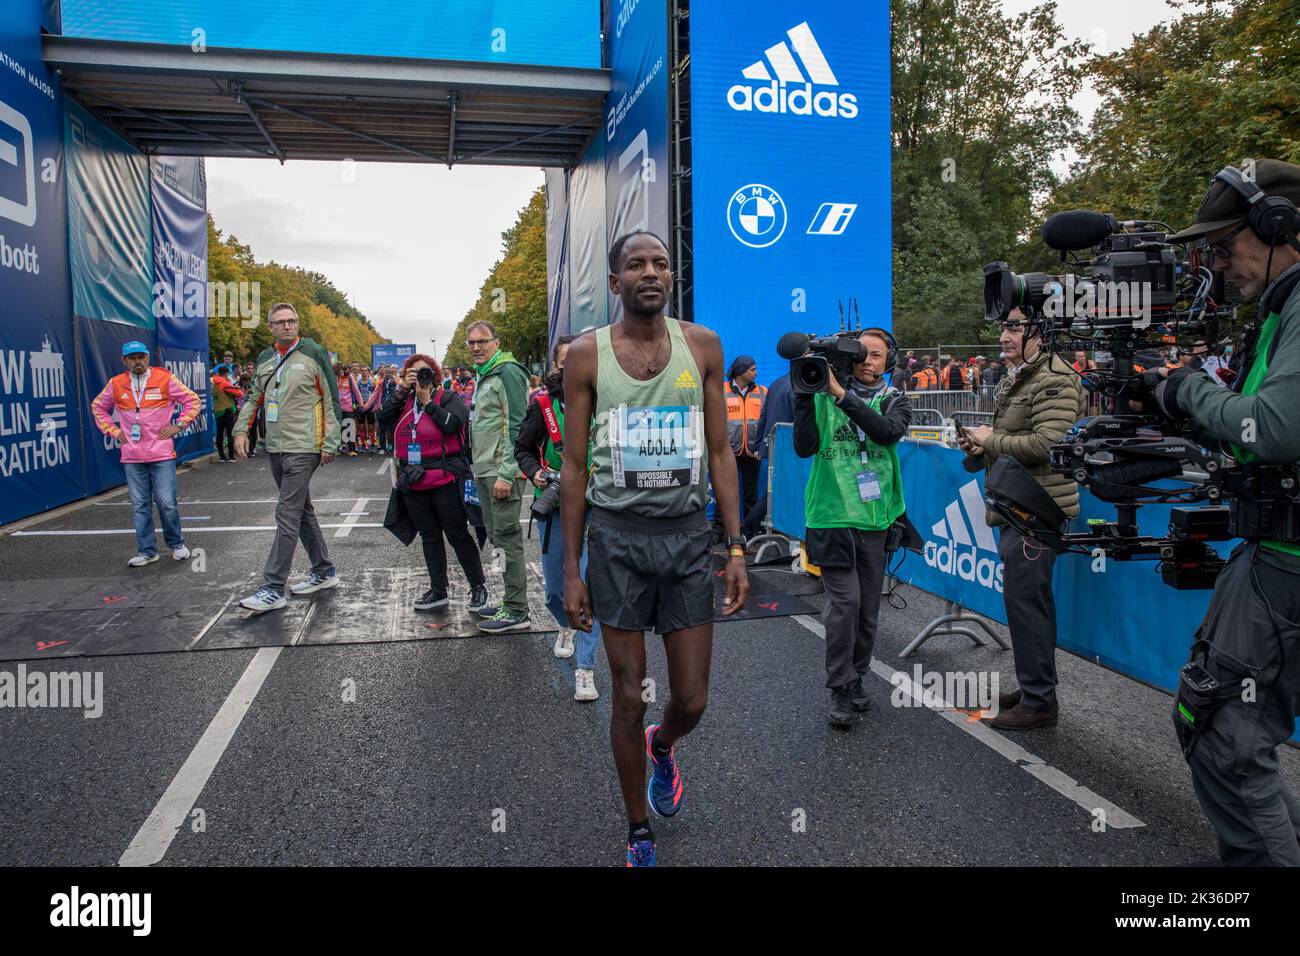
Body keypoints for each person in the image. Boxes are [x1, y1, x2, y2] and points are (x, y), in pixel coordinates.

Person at [561, 230, 748, 867]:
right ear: (615, 282)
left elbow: (721, 452)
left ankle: (662, 745)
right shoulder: (586, 358)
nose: (650, 272)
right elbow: (574, 467)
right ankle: (638, 825)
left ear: (672, 278)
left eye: (660, 264)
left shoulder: (702, 347)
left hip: (687, 538)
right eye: (636, 264)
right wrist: (571, 569)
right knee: (628, 690)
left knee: (691, 698)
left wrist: (736, 546)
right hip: (616, 540)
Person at [1146, 158, 1300, 866]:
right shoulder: (1280, 310)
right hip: (1272, 558)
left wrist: (1186, 393)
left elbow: (1268, 429)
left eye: (1225, 241)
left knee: (1224, 739)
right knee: (1230, 734)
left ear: (1278, 227)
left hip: (1286, 564)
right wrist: (1179, 404)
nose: (1218, 260)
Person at [960, 307, 1085, 730]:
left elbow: (1050, 443)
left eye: (1014, 327)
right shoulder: (1023, 376)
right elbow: (1015, 440)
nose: (1004, 335)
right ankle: (1034, 689)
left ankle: (1039, 701)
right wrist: (982, 450)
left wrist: (989, 439)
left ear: (1040, 332)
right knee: (1021, 603)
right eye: (1003, 326)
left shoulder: (1055, 379)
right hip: (1017, 507)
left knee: (1029, 605)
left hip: (1038, 511)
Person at [793, 329, 912, 726]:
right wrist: (807, 394)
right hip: (829, 516)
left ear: (888, 362)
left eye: (876, 355)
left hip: (875, 519)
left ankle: (857, 675)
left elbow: (886, 431)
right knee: (844, 605)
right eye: (861, 353)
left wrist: (842, 395)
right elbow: (804, 447)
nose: (867, 361)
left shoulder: (895, 400)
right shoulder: (822, 393)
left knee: (868, 612)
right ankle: (840, 686)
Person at [233, 303, 344, 612]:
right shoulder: (266, 358)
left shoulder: (313, 352)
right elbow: (254, 396)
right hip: (276, 446)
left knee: (287, 512)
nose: (287, 326)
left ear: (298, 324)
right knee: (301, 510)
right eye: (280, 322)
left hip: (304, 446)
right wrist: (240, 430)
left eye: (292, 321)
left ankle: (272, 586)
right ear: (270, 327)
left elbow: (331, 398)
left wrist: (331, 442)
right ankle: (324, 570)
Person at [514, 335, 601, 702]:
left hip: (598, 508)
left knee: (589, 590)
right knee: (554, 592)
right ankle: (564, 624)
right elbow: (521, 447)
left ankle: (586, 668)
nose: (576, 367)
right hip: (554, 507)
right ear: (556, 367)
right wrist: (533, 471)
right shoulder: (543, 406)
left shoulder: (604, 401)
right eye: (568, 362)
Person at [379, 353, 490, 613]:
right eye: (414, 372)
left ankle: (478, 587)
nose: (420, 377)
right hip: (414, 479)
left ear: (435, 375)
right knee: (429, 537)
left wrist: (428, 403)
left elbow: (453, 425)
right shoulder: (403, 400)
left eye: (425, 372)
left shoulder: (448, 397)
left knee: (458, 535)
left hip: (445, 477)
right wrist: (400, 390)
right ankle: (438, 590)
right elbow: (382, 419)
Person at [92, 341, 201, 567]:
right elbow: (98, 406)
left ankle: (177, 543)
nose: (137, 361)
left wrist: (179, 425)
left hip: (161, 453)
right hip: (132, 455)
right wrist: (113, 430)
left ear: (147, 358)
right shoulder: (116, 383)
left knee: (166, 502)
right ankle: (147, 551)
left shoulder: (164, 378)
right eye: (132, 358)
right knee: (139, 505)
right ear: (125, 361)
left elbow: (192, 400)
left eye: (141, 357)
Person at [465, 319, 533, 633]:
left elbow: (515, 425)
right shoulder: (485, 374)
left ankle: (518, 610)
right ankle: (510, 601)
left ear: (497, 342)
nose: (476, 347)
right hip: (485, 469)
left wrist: (507, 472)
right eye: (472, 343)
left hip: (500, 471)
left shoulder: (507, 372)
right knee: (498, 538)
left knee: (506, 538)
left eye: (482, 341)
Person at [741, 361, 795, 540]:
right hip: (791, 451)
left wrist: (759, 446)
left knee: (775, 489)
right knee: (775, 490)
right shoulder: (799, 386)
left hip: (775, 448)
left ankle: (750, 529)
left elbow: (762, 417)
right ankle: (748, 529)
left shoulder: (776, 383)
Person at [721, 355, 766, 539]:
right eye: (752, 369)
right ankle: (719, 530)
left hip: (752, 452)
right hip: (727, 451)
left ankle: (749, 532)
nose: (756, 373)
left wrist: (760, 447)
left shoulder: (763, 391)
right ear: (740, 372)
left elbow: (765, 420)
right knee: (724, 492)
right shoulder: (721, 390)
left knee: (751, 494)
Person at [210, 363, 244, 462]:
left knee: (220, 434)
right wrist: (236, 388)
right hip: (227, 410)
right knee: (230, 433)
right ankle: (231, 456)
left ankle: (222, 456)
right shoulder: (224, 383)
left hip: (217, 411)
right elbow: (239, 394)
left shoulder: (215, 382)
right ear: (226, 373)